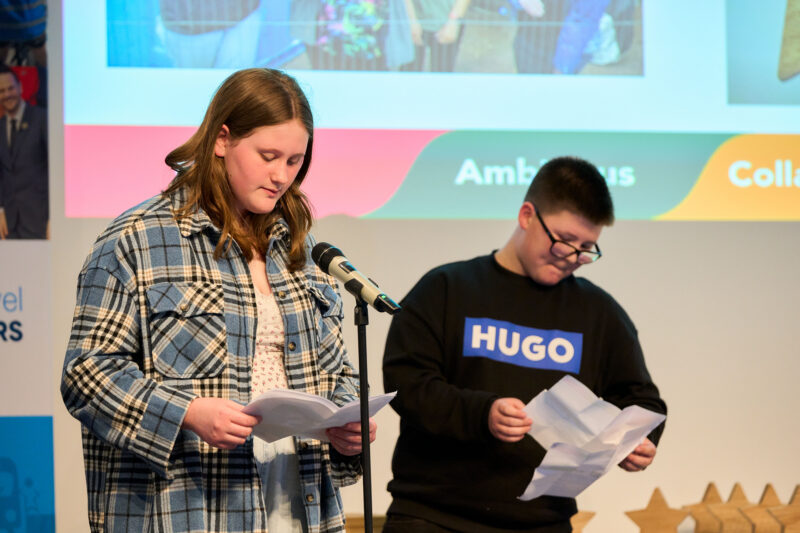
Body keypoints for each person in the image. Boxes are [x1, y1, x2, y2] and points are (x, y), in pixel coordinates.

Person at [61, 68, 377, 533]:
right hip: (189, 509)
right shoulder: (137, 240)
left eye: (294, 161)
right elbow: (86, 374)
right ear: (223, 140)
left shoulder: (301, 249)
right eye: (268, 156)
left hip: (299, 503)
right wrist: (186, 413)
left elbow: (336, 372)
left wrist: (346, 424)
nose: (281, 176)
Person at [382, 156, 666, 532]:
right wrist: (483, 413)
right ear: (527, 216)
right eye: (563, 241)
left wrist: (637, 440)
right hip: (433, 515)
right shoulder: (447, 288)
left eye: (586, 248)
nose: (572, 257)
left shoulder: (599, 313)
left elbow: (641, 399)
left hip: (543, 522)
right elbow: (406, 384)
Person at [0, 64, 48, 239]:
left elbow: (54, 170)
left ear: (20, 87)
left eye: (10, 88)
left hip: (39, 221)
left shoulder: (42, 118)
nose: (7, 94)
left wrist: (53, 217)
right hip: (8, 226)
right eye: (2, 91)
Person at [400, 0, 471, 72]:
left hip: (447, 22)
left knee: (442, 72)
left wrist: (453, 20)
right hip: (414, 19)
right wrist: (411, 19)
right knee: (409, 72)